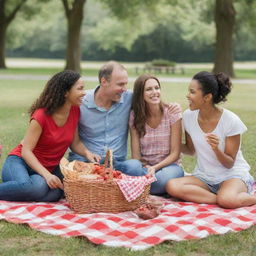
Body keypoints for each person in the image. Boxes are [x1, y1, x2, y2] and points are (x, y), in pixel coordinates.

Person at [0, 70, 99, 202]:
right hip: (20, 162)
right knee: (36, 187)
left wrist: (87, 153)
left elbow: (75, 143)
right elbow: (26, 151)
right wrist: (47, 175)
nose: (84, 92)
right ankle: (29, 186)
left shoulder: (75, 111)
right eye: (80, 89)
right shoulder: (41, 115)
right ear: (65, 92)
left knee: (55, 192)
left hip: (46, 168)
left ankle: (33, 186)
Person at [166, 71, 255, 208]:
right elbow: (191, 150)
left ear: (207, 97)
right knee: (172, 186)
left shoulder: (231, 121)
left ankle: (235, 197)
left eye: (192, 92)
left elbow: (229, 163)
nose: (187, 95)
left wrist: (216, 149)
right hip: (204, 177)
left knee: (228, 200)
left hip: (232, 175)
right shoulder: (188, 116)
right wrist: (170, 139)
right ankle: (220, 198)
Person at [68, 61, 147, 176]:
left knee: (135, 166)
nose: (124, 89)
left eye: (126, 84)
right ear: (104, 82)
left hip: (116, 163)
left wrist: (169, 108)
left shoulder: (129, 98)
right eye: (120, 84)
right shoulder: (81, 103)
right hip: (85, 162)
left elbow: (152, 102)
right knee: (78, 176)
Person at [129, 74, 184, 195]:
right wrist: (146, 168)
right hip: (146, 168)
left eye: (156, 88)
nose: (154, 92)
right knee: (131, 167)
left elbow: (175, 154)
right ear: (140, 94)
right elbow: (136, 157)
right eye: (149, 89)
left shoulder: (172, 113)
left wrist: (155, 168)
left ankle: (146, 187)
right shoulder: (135, 116)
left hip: (170, 166)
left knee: (160, 181)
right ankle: (151, 187)